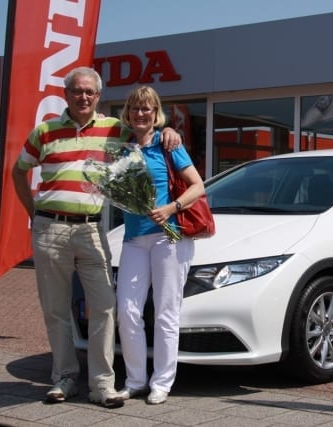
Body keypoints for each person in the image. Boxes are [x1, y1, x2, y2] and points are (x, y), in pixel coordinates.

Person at [11, 67, 181, 408]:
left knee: (105, 305)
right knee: (56, 309)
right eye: (77, 91)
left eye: (89, 92)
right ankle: (64, 377)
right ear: (66, 94)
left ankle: (102, 384)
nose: (83, 97)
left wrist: (169, 130)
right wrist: (34, 214)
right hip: (50, 229)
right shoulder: (45, 131)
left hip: (91, 229)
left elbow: (145, 128)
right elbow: (18, 171)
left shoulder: (114, 129)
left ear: (98, 96)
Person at [115, 86, 205, 405]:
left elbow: (198, 185)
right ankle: (135, 380)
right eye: (136, 108)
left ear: (156, 114)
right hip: (133, 239)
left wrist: (171, 208)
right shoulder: (122, 149)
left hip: (168, 236)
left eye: (147, 109)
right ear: (128, 113)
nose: (141, 113)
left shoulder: (167, 144)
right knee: (127, 310)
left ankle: (162, 382)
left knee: (166, 312)